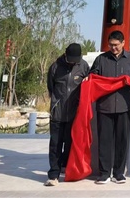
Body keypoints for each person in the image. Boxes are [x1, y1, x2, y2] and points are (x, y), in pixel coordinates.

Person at [90, 30, 130, 185]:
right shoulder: (101, 59)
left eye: (116, 45)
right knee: (104, 140)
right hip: (105, 106)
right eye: (111, 45)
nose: (113, 48)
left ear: (123, 43)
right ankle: (104, 173)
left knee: (122, 140)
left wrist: (129, 81)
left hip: (125, 106)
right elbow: (93, 77)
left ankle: (119, 173)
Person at [45, 43, 90, 186]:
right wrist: (56, 102)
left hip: (74, 114)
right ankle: (53, 174)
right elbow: (51, 87)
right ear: (65, 54)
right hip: (57, 113)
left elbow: (88, 85)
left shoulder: (83, 66)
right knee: (55, 144)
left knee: (71, 143)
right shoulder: (55, 67)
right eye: (71, 59)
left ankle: (65, 166)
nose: (73, 62)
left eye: (75, 60)